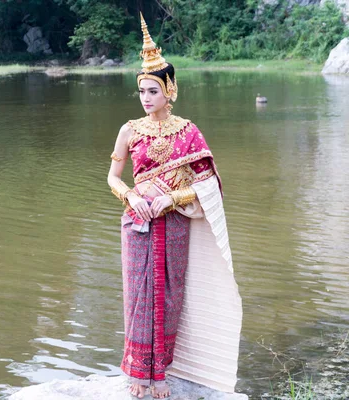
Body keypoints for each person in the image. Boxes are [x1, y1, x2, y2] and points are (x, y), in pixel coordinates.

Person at [107, 14, 243, 399]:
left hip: (174, 221)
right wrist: (132, 196)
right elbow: (113, 177)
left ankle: (162, 372)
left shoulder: (189, 131)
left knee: (168, 293)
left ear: (170, 89)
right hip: (137, 221)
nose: (146, 99)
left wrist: (171, 198)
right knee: (137, 292)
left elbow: (209, 185)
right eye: (142, 92)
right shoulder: (129, 130)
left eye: (153, 91)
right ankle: (137, 372)